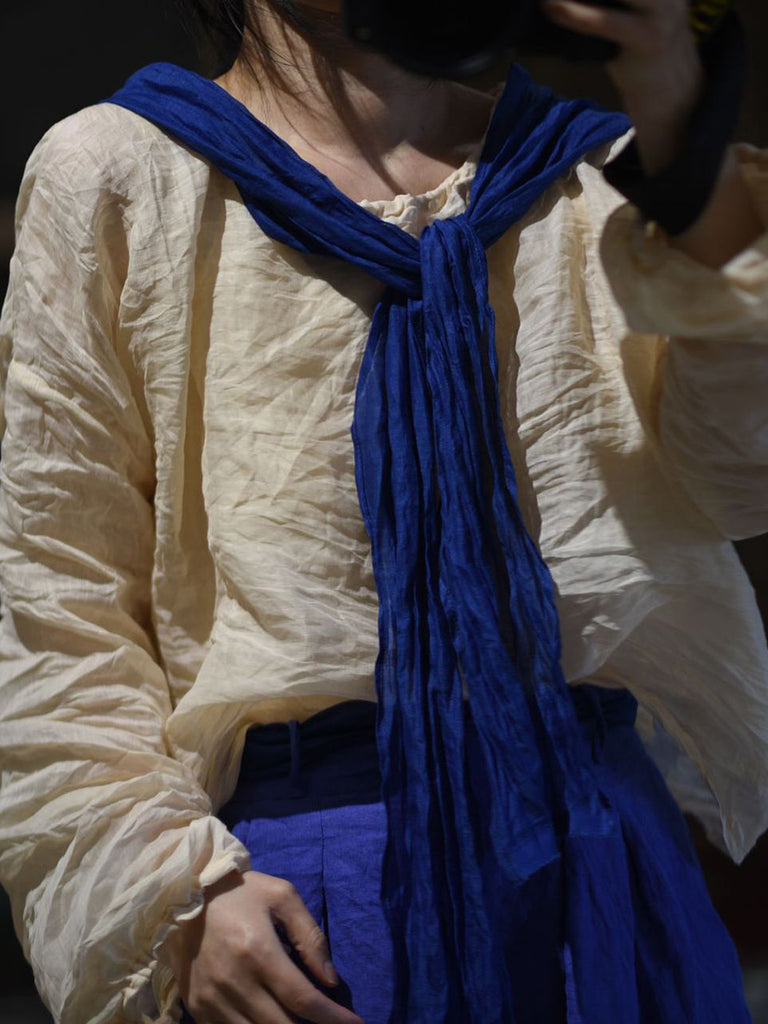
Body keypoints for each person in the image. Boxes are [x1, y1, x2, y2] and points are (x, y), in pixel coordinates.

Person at [0, 0, 766, 1021]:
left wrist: (676, 108)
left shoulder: (596, 171)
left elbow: (744, 477)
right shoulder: (122, 172)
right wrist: (176, 889)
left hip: (600, 861)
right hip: (303, 882)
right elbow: (57, 601)